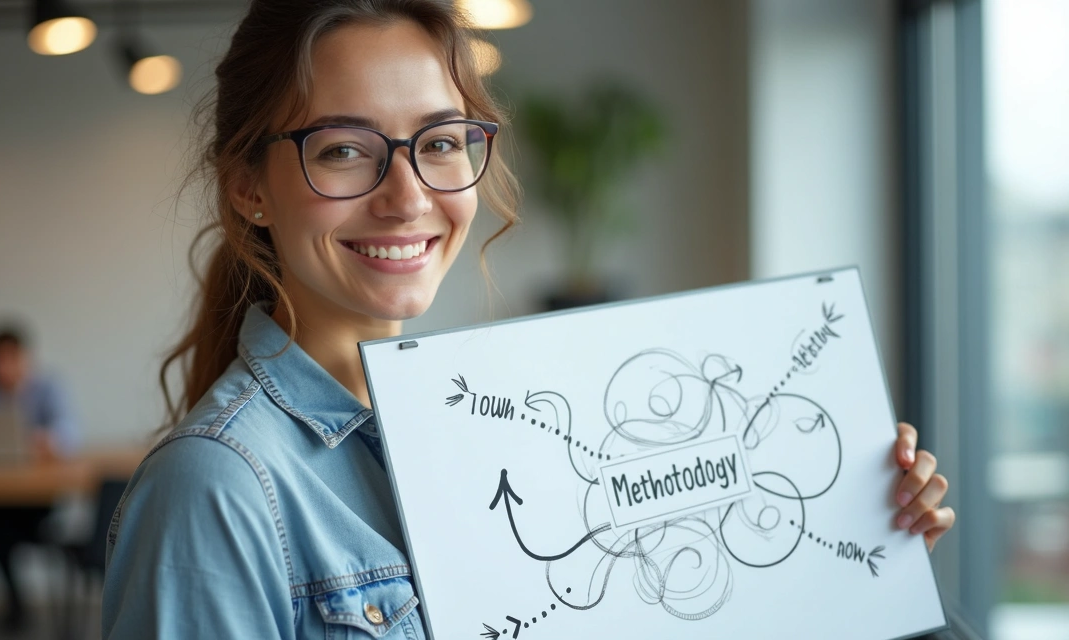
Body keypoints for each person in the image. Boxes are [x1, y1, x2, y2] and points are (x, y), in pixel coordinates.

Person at [101, 1, 956, 637]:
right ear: (249, 187)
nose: (407, 198)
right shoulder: (215, 489)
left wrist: (854, 537)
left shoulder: (494, 435)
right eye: (344, 150)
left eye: (439, 142)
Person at [0, 323, 79, 631]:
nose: (3, 367)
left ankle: (16, 602)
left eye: (10, 358)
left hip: (34, 501)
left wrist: (46, 440)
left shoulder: (47, 388)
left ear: (25, 358)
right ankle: (16, 600)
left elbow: (71, 432)